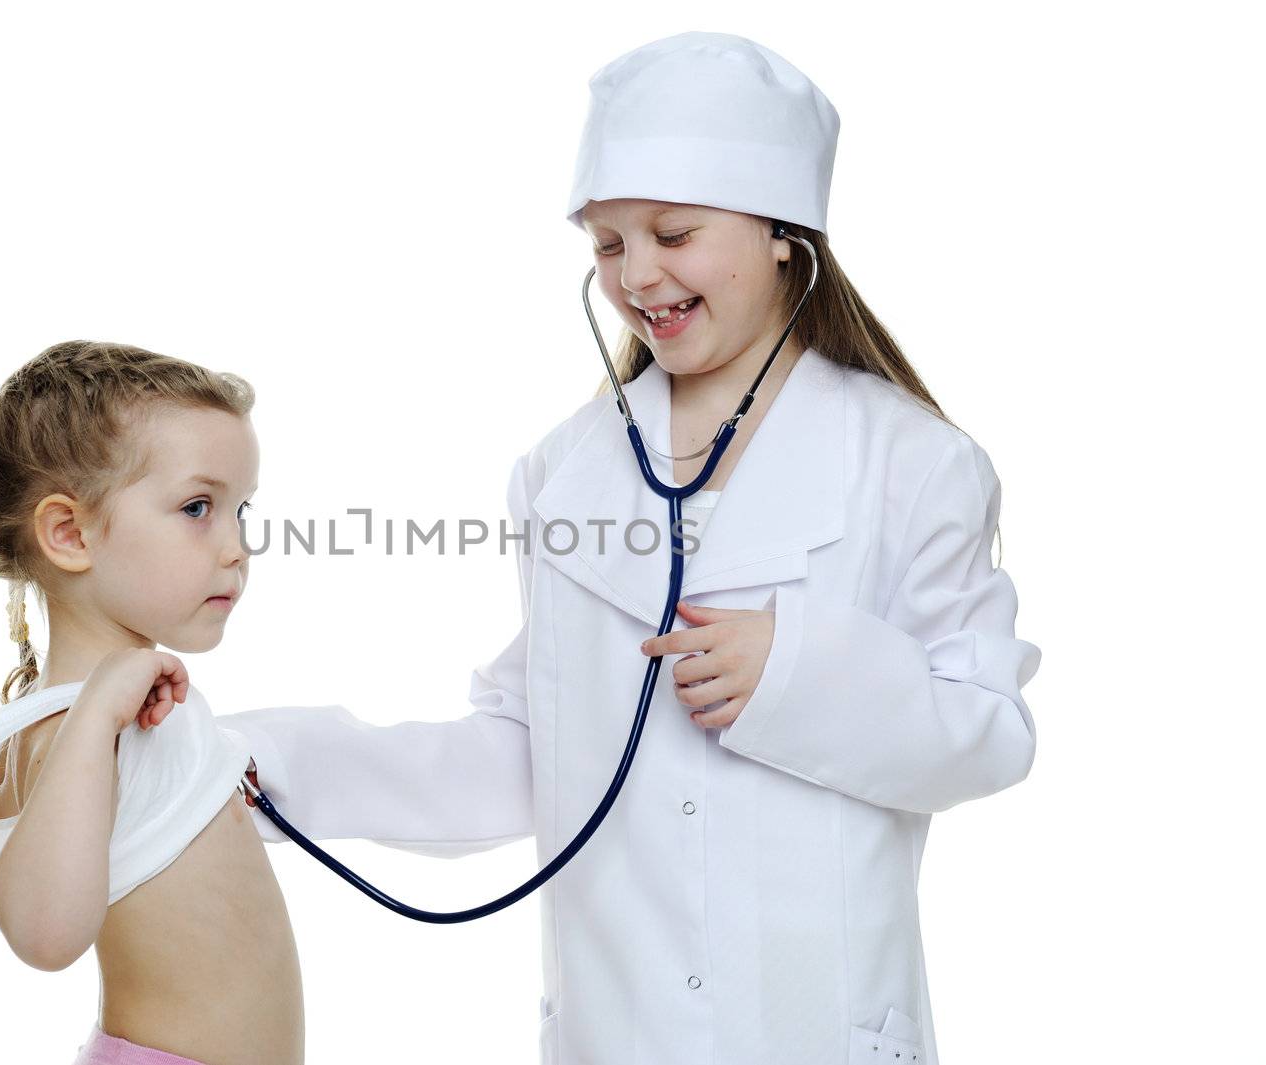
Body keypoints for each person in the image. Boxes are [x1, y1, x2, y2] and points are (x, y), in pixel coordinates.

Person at [223, 32, 1040, 1065]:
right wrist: (269, 766)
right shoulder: (562, 471)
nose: (635, 274)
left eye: (673, 232)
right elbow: (535, 752)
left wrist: (795, 673)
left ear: (786, 232)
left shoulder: (913, 464)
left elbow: (990, 733)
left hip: (818, 1033)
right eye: (607, 245)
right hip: (616, 1035)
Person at [0, 341, 303, 1065]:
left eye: (240, 510)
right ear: (71, 534)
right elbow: (43, 933)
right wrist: (96, 717)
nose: (237, 547)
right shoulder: (67, 727)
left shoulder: (136, 701)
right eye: (198, 507)